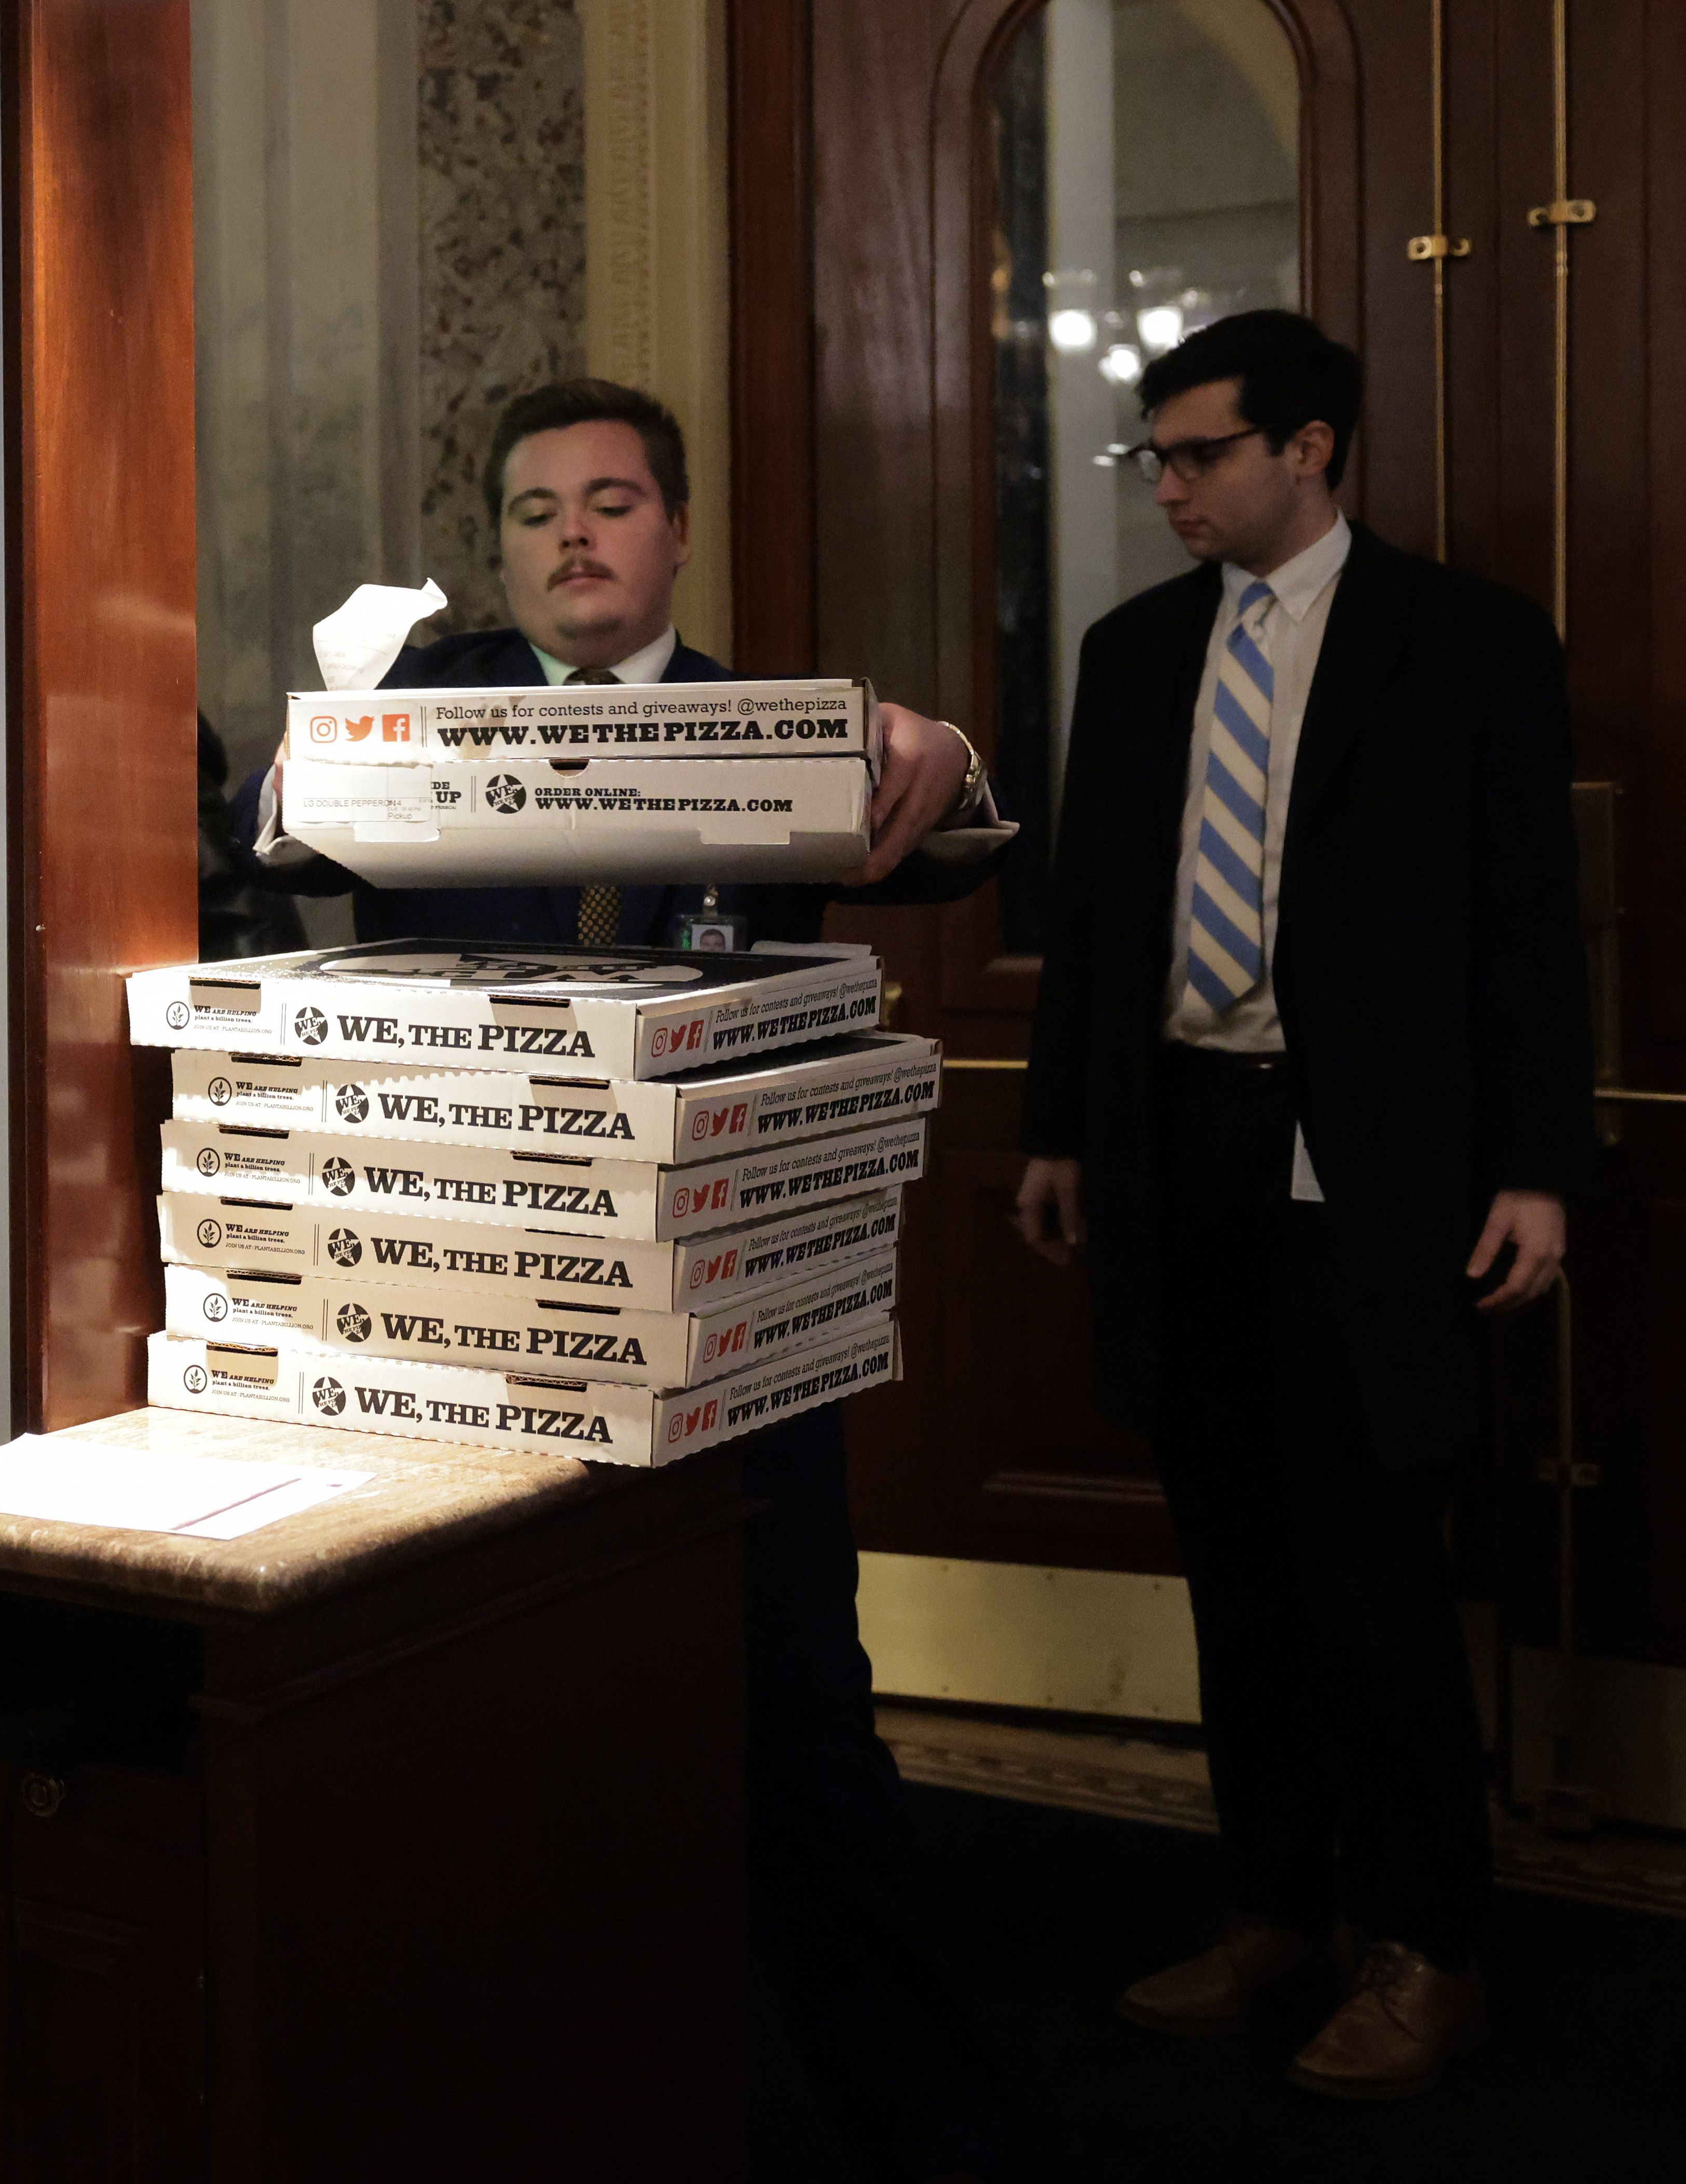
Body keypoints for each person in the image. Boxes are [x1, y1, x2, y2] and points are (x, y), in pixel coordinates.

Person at [234, 378, 1011, 2183]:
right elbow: (267, 826)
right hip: (470, 1308)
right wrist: (309, 746)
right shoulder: (413, 726)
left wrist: (941, 748)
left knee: (795, 1722)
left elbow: (967, 830)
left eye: (610, 501)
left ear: (672, 530)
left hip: (732, 1319)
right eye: (532, 511)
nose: (573, 534)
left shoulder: (781, 729)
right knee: (497, 1734)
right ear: (499, 551)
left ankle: (907, 2116)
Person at [1015, 310, 1588, 2100]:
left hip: (1376, 1170)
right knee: (1235, 1567)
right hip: (1182, 1155)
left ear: (1314, 446)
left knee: (1372, 1581)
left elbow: (1526, 923)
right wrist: (1057, 1130)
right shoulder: (1131, 654)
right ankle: (1277, 1907)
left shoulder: (1465, 644)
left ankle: (1434, 1944)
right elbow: (1096, 919)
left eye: (1203, 454)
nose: (1171, 486)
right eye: (1156, 459)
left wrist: (1540, 1165)